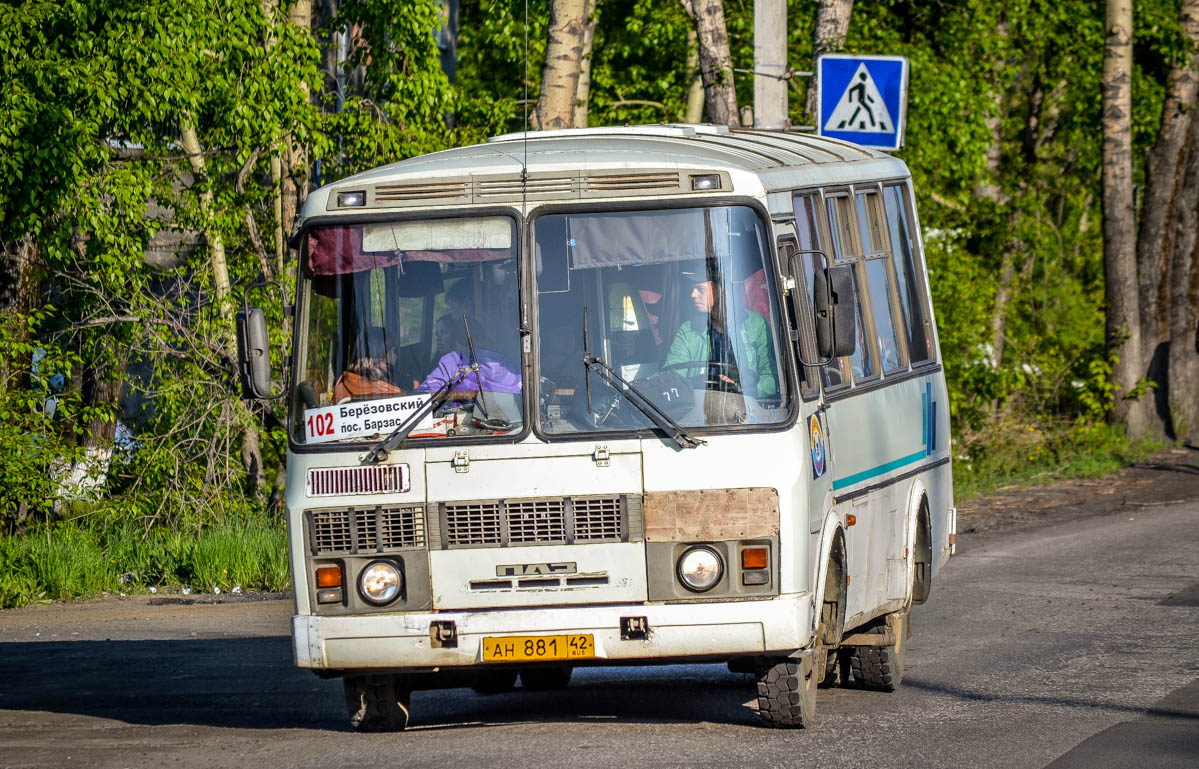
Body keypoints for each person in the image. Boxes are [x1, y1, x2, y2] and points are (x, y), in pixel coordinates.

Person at [664, 261, 778, 399]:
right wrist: (699, 384)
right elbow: (672, 378)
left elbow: (773, 376)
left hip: (749, 407)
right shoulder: (688, 330)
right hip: (701, 409)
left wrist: (744, 390)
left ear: (721, 290)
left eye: (700, 289)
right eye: (692, 289)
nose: (693, 295)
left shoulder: (755, 324)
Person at [417, 315, 521, 399]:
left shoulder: (456, 358)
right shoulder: (509, 364)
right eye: (436, 334)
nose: (438, 339)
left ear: (455, 340)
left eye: (444, 333)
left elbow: (424, 396)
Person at [332, 327, 406, 403]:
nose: (396, 355)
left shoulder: (344, 383)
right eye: (393, 350)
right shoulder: (387, 390)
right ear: (379, 354)